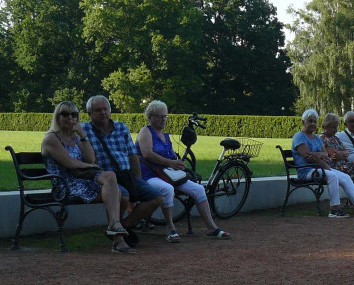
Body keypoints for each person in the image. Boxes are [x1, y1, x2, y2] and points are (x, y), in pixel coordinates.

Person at [40, 101, 134, 254]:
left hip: (82, 182)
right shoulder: (51, 138)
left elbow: (90, 159)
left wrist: (83, 135)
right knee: (116, 191)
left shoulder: (75, 137)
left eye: (74, 115)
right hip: (65, 185)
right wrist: (92, 167)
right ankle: (118, 238)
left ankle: (115, 228)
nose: (70, 118)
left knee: (119, 192)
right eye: (65, 114)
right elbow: (70, 163)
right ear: (57, 117)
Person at [136, 99, 230, 241]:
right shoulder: (145, 131)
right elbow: (147, 154)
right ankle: (171, 229)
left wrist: (179, 165)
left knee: (199, 189)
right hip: (149, 175)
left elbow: (172, 157)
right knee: (168, 189)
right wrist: (171, 163)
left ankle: (212, 228)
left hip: (168, 174)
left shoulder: (165, 136)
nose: (163, 120)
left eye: (165, 116)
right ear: (150, 117)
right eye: (159, 116)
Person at [81, 95, 163, 250]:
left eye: (106, 109)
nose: (103, 113)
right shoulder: (84, 130)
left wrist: (136, 179)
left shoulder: (121, 127)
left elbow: (132, 154)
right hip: (103, 179)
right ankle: (117, 238)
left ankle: (124, 225)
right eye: (98, 110)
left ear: (110, 110)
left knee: (156, 197)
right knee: (123, 196)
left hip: (125, 175)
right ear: (90, 114)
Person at [292, 109, 354, 218]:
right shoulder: (299, 137)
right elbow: (308, 157)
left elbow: (324, 154)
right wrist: (321, 157)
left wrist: (318, 155)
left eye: (315, 121)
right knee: (333, 176)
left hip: (320, 168)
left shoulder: (316, 139)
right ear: (303, 122)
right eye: (310, 121)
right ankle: (335, 209)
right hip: (307, 171)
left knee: (346, 177)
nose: (313, 124)